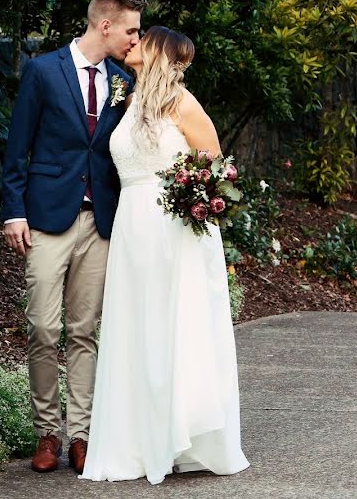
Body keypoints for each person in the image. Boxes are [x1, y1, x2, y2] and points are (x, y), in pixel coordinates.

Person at [79, 26, 250, 485]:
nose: (132, 43)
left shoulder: (182, 102)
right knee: (137, 328)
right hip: (132, 228)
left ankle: (179, 435)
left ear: (157, 52)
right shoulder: (129, 99)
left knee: (173, 327)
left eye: (142, 39)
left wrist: (191, 195)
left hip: (174, 233)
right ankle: (136, 441)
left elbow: (216, 166)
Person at [0, 0, 145, 474]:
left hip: (100, 221)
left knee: (84, 331)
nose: (134, 39)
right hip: (45, 217)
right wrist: (13, 211)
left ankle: (81, 435)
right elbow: (17, 146)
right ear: (105, 25)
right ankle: (47, 430)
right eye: (130, 29)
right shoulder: (43, 71)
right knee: (43, 325)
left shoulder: (124, 80)